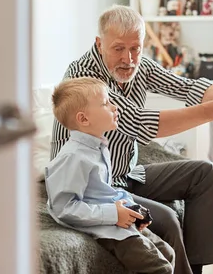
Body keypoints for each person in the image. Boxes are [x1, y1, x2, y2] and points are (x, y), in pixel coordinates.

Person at [51, 5, 213, 274]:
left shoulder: (138, 64)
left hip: (127, 173)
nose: (129, 59)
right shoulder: (85, 79)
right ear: (99, 43)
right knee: (166, 219)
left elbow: (185, 87)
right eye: (118, 48)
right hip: (94, 186)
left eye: (136, 48)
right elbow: (140, 124)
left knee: (205, 174)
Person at [45, 77, 175, 274]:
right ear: (83, 119)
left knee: (168, 252)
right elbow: (64, 207)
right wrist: (114, 214)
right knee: (160, 268)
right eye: (106, 103)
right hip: (104, 227)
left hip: (116, 218)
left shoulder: (98, 147)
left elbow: (103, 191)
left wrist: (132, 209)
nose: (115, 107)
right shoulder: (73, 157)